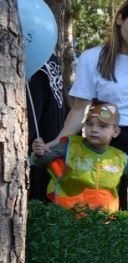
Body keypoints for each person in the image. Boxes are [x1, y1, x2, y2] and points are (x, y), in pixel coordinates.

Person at [41, 0, 128, 214]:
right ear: (120, 19)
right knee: (104, 216)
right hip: (107, 142)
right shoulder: (92, 58)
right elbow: (80, 109)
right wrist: (59, 140)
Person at [31, 100, 128, 211]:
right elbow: (41, 162)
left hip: (104, 223)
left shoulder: (120, 158)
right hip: (68, 219)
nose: (94, 130)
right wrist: (38, 153)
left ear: (115, 131)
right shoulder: (69, 147)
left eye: (102, 126)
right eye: (90, 124)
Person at [27, 55, 67, 203]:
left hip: (40, 148)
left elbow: (30, 119)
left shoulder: (35, 59)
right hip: (50, 145)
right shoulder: (47, 56)